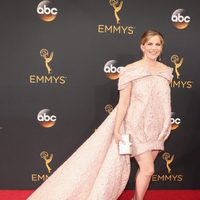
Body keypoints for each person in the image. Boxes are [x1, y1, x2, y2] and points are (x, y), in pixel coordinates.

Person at [27, 30, 173, 200]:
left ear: (162, 47)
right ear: (142, 46)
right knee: (149, 169)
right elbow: (124, 102)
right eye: (150, 44)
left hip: (158, 128)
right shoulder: (130, 70)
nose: (154, 48)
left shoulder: (166, 71)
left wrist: (166, 123)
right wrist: (118, 129)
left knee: (145, 171)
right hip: (136, 125)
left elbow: (163, 100)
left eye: (158, 44)